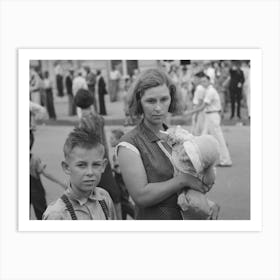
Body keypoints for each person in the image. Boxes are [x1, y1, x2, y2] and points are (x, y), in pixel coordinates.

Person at [117, 68, 209, 220]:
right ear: (139, 101)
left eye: (164, 99)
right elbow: (141, 195)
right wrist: (183, 180)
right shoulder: (129, 144)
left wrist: (205, 204)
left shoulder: (179, 135)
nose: (158, 108)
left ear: (171, 98)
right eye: (151, 101)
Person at [43, 128, 116, 220]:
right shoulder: (57, 214)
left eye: (96, 164)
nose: (90, 172)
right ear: (67, 167)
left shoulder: (104, 198)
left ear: (103, 166)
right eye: (81, 165)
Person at [74, 88, 122, 219]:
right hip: (103, 160)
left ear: (77, 104)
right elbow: (104, 141)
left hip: (91, 163)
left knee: (93, 197)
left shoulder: (82, 123)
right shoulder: (99, 119)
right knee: (114, 194)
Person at [159, 126, 220, 219]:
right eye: (189, 152)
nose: (187, 157)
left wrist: (209, 169)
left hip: (184, 188)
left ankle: (209, 208)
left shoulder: (201, 171)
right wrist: (169, 136)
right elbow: (174, 134)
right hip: (174, 177)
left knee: (194, 202)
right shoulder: (184, 141)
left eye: (192, 158)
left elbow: (206, 185)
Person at [184, 73, 232, 167]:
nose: (203, 83)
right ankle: (200, 160)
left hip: (212, 115)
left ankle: (226, 160)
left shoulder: (210, 91)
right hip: (209, 115)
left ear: (209, 81)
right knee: (203, 137)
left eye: (205, 81)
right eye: (202, 81)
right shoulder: (207, 90)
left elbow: (202, 107)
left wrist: (189, 113)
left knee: (218, 139)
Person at [30, 130, 66, 220]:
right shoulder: (33, 158)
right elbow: (46, 173)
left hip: (35, 191)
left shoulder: (34, 159)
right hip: (35, 191)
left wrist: (60, 183)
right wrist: (61, 183)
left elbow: (46, 173)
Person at [110, 129, 135, 219]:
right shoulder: (121, 150)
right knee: (122, 205)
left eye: (112, 138)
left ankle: (139, 216)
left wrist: (111, 170)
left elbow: (119, 170)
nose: (110, 140)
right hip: (123, 180)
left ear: (118, 140)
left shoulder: (118, 152)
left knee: (124, 203)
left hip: (121, 180)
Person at [191, 72, 206, 136]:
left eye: (195, 78)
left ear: (199, 79)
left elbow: (200, 102)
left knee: (197, 131)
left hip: (199, 111)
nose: (194, 80)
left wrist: (196, 114)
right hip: (198, 109)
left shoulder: (199, 88)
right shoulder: (200, 87)